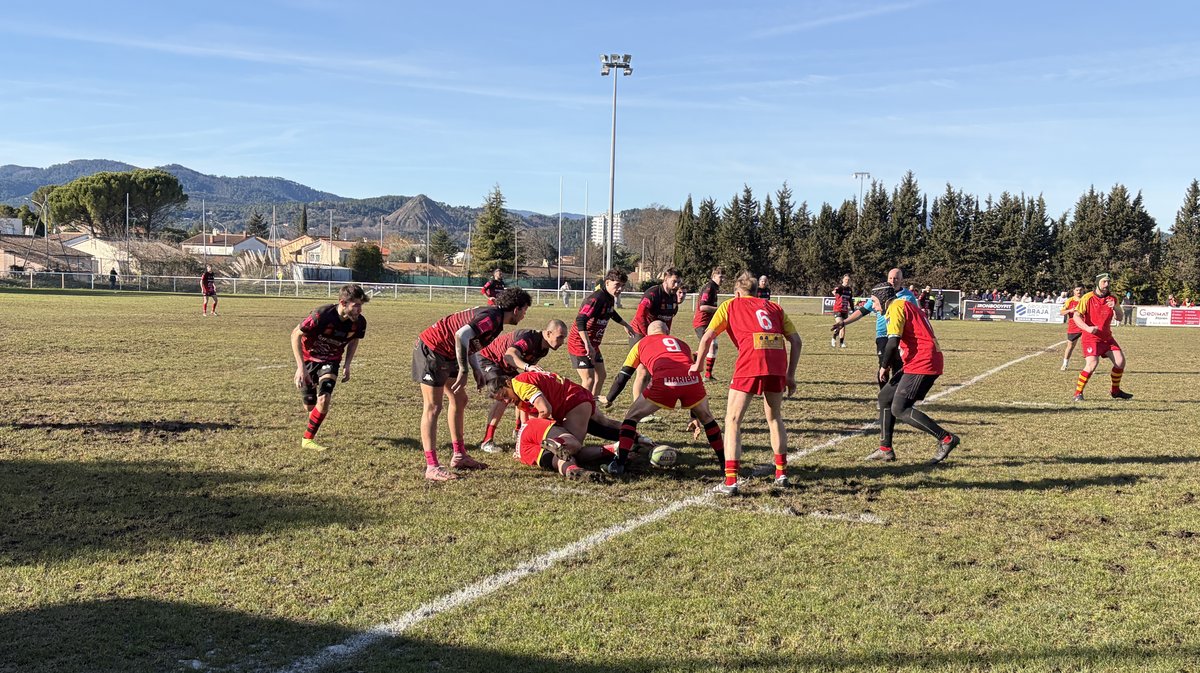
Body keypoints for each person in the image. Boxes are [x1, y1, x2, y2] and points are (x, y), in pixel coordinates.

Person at [691, 271, 802, 496]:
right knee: (774, 417)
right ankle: (781, 474)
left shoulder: (730, 305)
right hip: (777, 361)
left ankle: (731, 481)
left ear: (737, 293)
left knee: (733, 419)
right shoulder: (774, 307)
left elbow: (707, 337)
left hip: (751, 360)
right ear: (756, 292)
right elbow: (796, 341)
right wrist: (790, 375)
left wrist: (699, 365)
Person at [413, 287, 533, 481]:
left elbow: (469, 342)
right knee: (433, 407)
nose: (524, 316)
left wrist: (476, 368)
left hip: (447, 352)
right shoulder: (492, 317)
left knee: (460, 400)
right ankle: (432, 466)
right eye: (525, 310)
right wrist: (464, 369)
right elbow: (461, 335)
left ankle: (459, 455)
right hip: (433, 349)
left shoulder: (496, 319)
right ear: (516, 309)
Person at [599, 321, 726, 476]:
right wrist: (694, 415)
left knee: (631, 418)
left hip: (665, 382)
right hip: (692, 380)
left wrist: (610, 398)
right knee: (708, 419)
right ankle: (724, 462)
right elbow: (687, 368)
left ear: (648, 333)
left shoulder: (640, 344)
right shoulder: (682, 343)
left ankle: (619, 464)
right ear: (667, 331)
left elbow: (623, 375)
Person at [865, 283, 960, 464]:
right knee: (885, 397)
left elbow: (892, 343)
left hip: (923, 361)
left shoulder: (895, 308)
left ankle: (946, 439)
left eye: (874, 302)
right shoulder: (903, 305)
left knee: (899, 408)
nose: (874, 307)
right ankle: (885, 449)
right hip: (919, 359)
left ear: (884, 299)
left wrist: (884, 366)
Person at [488, 371, 649, 453]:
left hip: (573, 402)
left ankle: (617, 448)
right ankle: (638, 438)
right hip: (576, 396)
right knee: (603, 423)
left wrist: (541, 432)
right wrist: (522, 445)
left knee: (572, 446)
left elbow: (545, 410)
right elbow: (527, 425)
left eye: (504, 395)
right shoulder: (517, 392)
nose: (506, 401)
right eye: (501, 400)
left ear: (507, 383)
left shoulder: (521, 386)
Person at [290, 284, 368, 451]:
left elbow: (354, 340)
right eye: (356, 305)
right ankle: (313, 416)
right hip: (309, 360)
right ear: (343, 303)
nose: (359, 310)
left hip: (331, 361)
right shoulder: (322, 315)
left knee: (324, 399)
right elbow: (295, 334)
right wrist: (301, 367)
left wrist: (347, 364)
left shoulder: (359, 323)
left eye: (361, 305)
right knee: (310, 406)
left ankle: (307, 439)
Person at [476, 320, 568, 453]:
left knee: (521, 392)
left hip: (507, 366)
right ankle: (487, 440)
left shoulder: (543, 349)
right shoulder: (530, 338)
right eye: (560, 337)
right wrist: (528, 367)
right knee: (503, 397)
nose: (562, 342)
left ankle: (519, 430)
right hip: (490, 360)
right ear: (548, 333)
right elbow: (509, 356)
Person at [833, 268, 917, 389]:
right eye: (890, 278)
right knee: (884, 365)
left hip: (900, 336)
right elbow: (862, 311)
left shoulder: (908, 296)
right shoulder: (880, 293)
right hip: (883, 335)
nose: (893, 280)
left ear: (901, 279)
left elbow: (915, 316)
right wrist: (844, 322)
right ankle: (883, 394)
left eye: (896, 278)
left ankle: (896, 395)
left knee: (899, 366)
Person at [567, 269, 635, 398]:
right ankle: (580, 406)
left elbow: (611, 312)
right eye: (617, 285)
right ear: (607, 282)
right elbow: (580, 320)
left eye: (622, 286)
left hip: (592, 344)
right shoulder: (596, 298)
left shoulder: (609, 297)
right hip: (580, 343)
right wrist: (587, 344)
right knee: (589, 379)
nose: (620, 289)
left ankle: (592, 405)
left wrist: (625, 324)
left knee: (601, 375)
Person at [622, 266, 683, 407]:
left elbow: (668, 319)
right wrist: (647, 337)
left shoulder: (673, 297)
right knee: (643, 371)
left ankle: (644, 404)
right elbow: (640, 316)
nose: (676, 285)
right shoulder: (653, 293)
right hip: (640, 333)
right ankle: (637, 408)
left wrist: (665, 336)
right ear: (665, 279)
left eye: (679, 282)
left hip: (656, 336)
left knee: (651, 372)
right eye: (674, 281)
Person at [1072, 273, 1132, 402]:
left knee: (1120, 362)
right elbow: (1076, 316)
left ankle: (1115, 391)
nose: (1107, 285)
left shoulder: (1112, 297)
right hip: (1091, 337)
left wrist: (1115, 308)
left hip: (1107, 338)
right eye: (1104, 282)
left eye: (1108, 282)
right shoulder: (1087, 297)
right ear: (1097, 283)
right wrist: (1087, 328)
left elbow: (1119, 318)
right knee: (1092, 364)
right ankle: (1077, 393)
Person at [512, 416, 609, 483]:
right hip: (533, 425)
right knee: (575, 445)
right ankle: (558, 441)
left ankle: (572, 469)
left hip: (522, 451)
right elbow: (544, 409)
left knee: (562, 458)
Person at [692, 267, 724, 381]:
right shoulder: (709, 288)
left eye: (723, 277)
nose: (722, 279)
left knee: (710, 346)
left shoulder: (714, 288)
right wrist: (719, 309)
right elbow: (703, 307)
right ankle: (706, 374)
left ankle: (696, 360)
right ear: (714, 276)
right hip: (702, 322)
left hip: (708, 322)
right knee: (712, 345)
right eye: (720, 277)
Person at [1060, 285, 1085, 370]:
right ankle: (1065, 364)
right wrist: (1070, 310)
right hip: (1073, 326)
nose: (1079, 292)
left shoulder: (1086, 300)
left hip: (1085, 326)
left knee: (1087, 345)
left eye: (1080, 290)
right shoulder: (1069, 301)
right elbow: (1062, 312)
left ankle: (1090, 366)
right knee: (1070, 346)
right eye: (1077, 290)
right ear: (1074, 291)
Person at [831, 274, 853, 348]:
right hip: (838, 309)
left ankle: (841, 343)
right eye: (846, 279)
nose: (847, 281)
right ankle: (834, 338)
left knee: (843, 326)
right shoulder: (840, 288)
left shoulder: (849, 290)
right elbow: (835, 291)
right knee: (840, 324)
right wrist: (835, 291)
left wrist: (853, 309)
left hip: (845, 310)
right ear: (843, 280)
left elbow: (850, 300)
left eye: (848, 280)